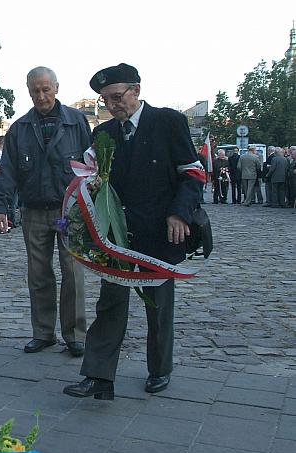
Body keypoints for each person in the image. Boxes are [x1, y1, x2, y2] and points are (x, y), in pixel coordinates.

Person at [63, 63, 205, 399]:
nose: (112, 105)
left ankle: (159, 369)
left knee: (158, 305)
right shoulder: (105, 133)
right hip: (117, 236)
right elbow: (92, 178)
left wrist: (178, 214)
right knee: (110, 303)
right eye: (105, 100)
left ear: (136, 91)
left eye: (116, 97)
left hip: (161, 232)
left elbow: (192, 173)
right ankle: (98, 375)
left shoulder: (168, 122)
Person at [0, 66, 90, 358]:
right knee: (39, 274)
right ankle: (43, 333)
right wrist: (1, 207)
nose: (41, 95)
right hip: (34, 210)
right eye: (35, 90)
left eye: (46, 88)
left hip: (70, 210)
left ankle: (75, 335)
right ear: (28, 90)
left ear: (57, 88)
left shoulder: (77, 122)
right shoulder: (20, 128)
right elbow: (7, 170)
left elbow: (92, 164)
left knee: (73, 274)